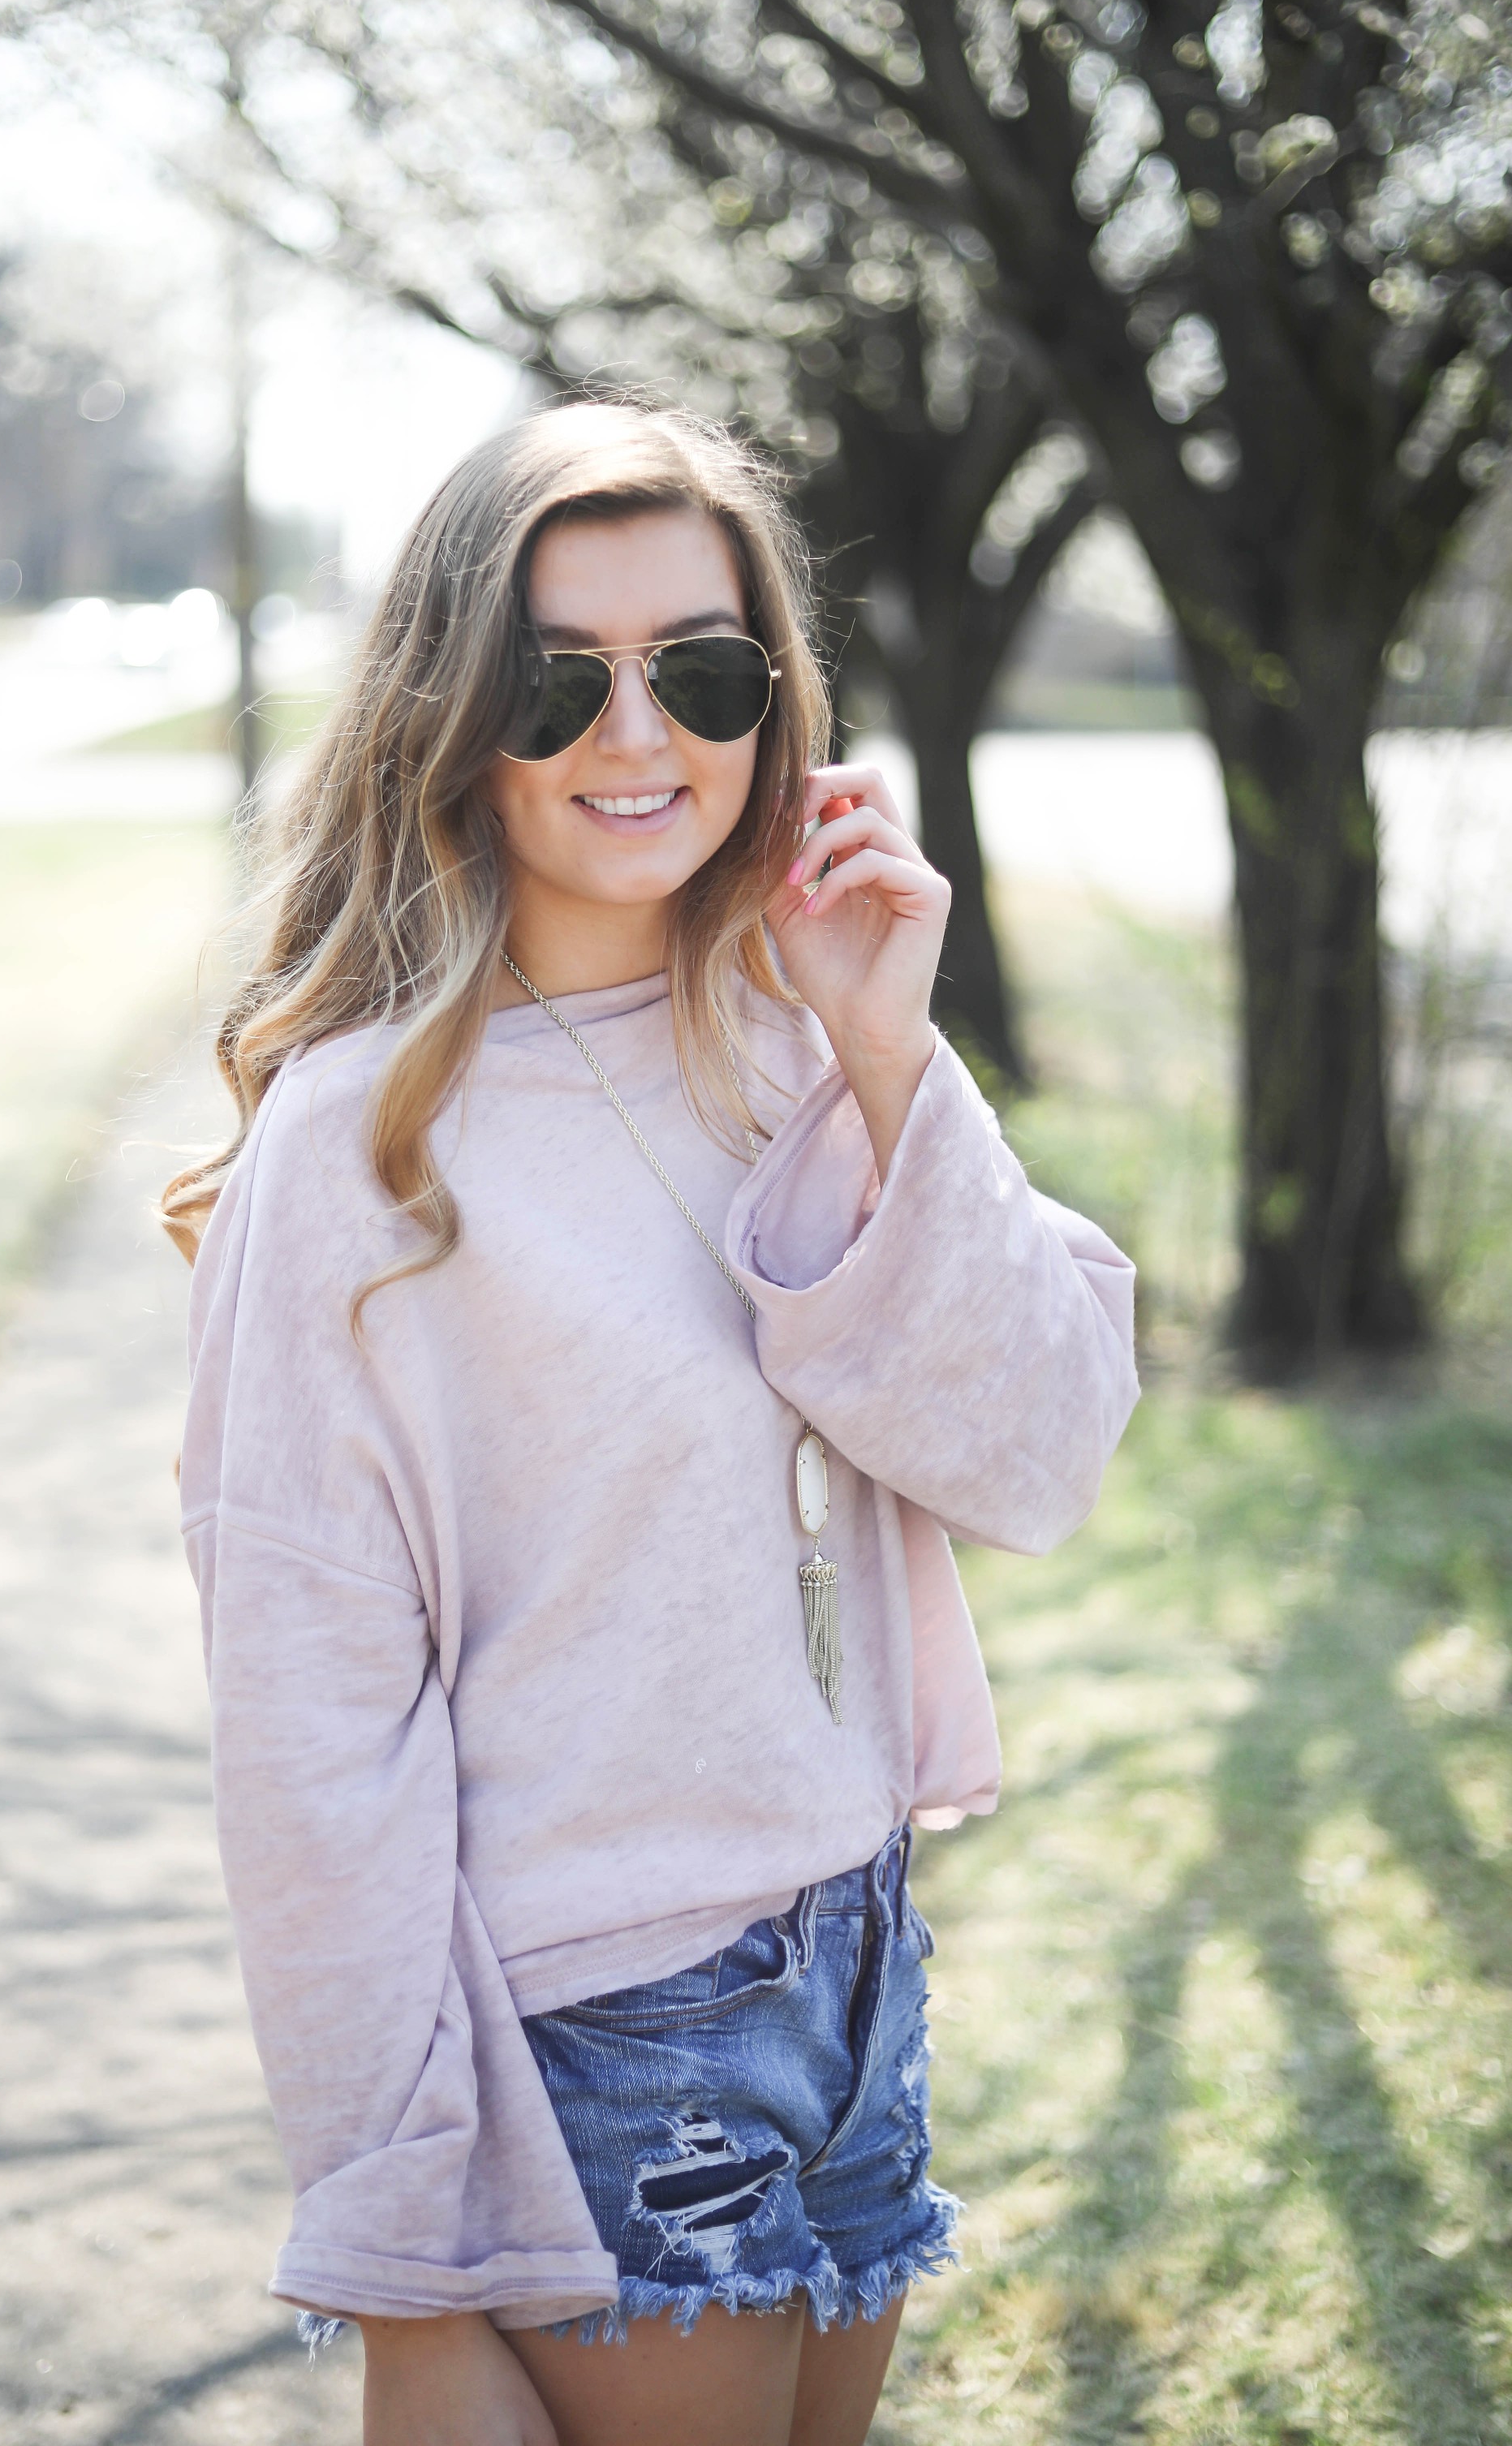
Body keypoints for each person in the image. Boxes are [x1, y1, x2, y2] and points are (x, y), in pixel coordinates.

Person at [167, 401, 1138, 2446]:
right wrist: (403, 2258)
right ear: (452, 713)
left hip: (859, 1957)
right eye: (555, 681)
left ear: (772, 705)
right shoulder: (367, 1146)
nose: (637, 738)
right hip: (602, 2034)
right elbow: (310, 1733)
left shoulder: (795, 1035)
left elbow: (1036, 1447)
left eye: (699, 672)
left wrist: (890, 1055)